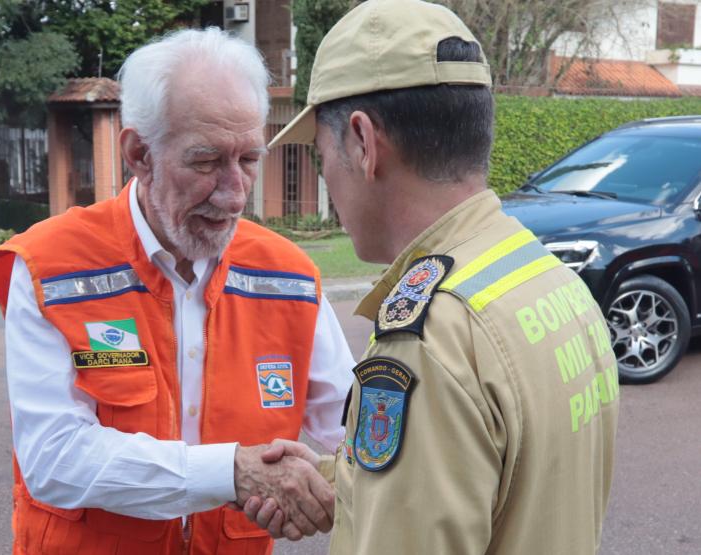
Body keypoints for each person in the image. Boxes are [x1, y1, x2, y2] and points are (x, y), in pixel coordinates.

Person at [243, 0, 620, 553]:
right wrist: (342, 481)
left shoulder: (429, 339)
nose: (328, 177)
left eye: (322, 155)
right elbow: (503, 477)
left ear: (363, 143)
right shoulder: (540, 274)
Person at [0, 28, 354, 554]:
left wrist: (325, 485)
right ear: (139, 153)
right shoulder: (52, 266)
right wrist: (231, 473)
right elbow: (54, 459)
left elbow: (355, 425)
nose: (234, 193)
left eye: (249, 159)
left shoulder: (288, 276)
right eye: (205, 162)